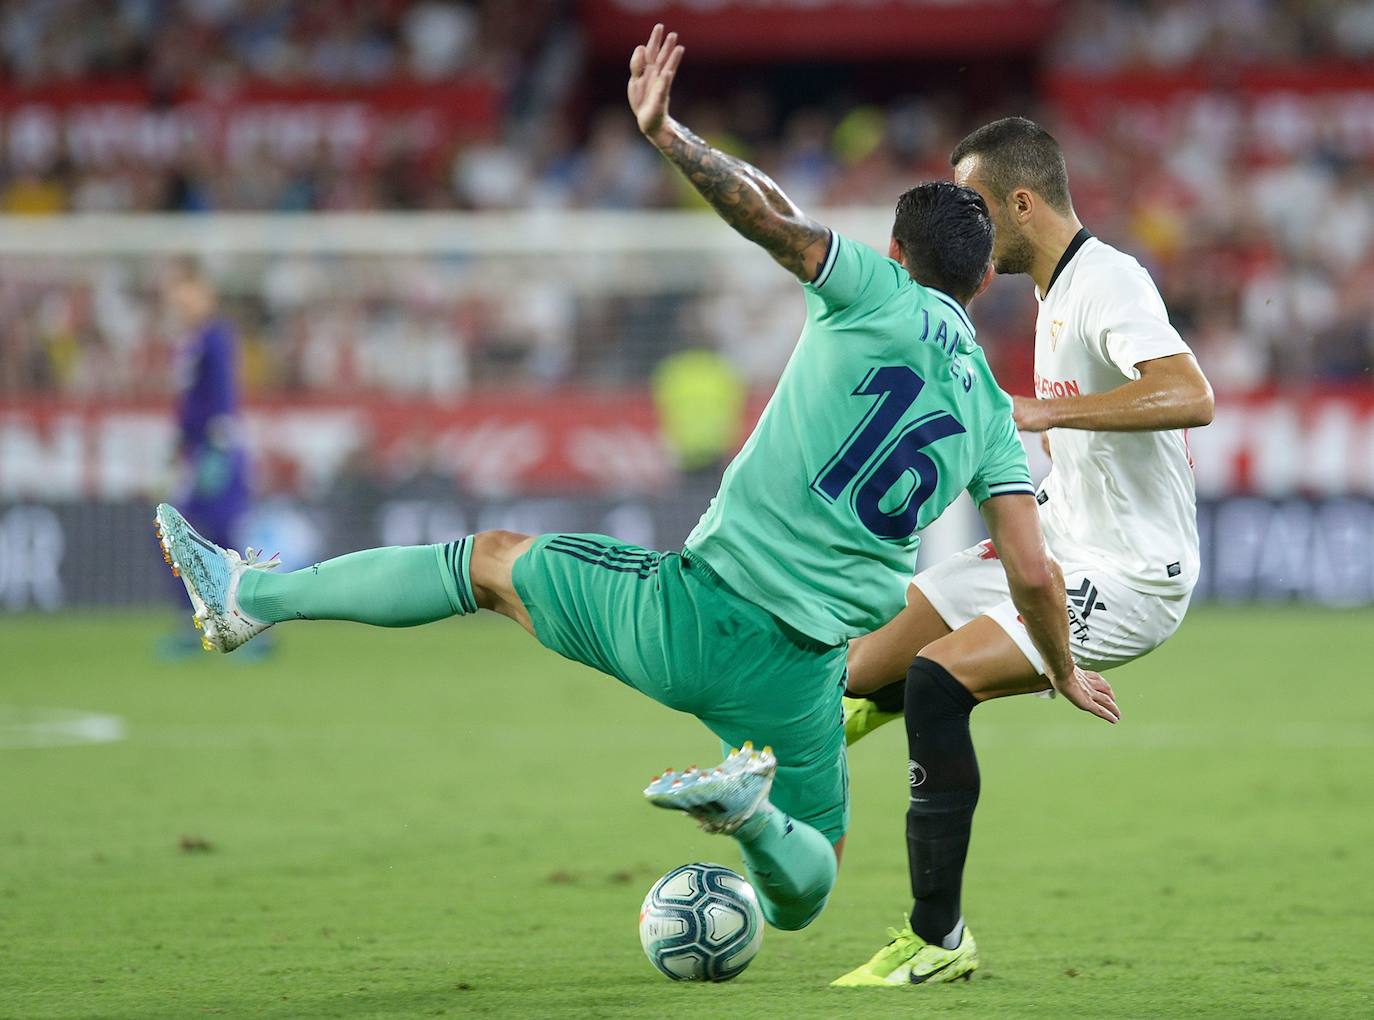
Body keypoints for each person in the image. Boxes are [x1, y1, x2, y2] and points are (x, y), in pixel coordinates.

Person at [153, 29, 1114, 939]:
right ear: (983, 280)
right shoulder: (992, 403)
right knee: (808, 875)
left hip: (695, 610)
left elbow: (769, 217)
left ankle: (246, 596)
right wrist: (1062, 667)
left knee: (486, 565)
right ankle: (752, 823)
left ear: (898, 252)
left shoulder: (870, 286)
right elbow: (1030, 570)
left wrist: (667, 135)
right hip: (807, 669)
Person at [832, 117, 1213, 988]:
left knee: (936, 681)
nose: (965, 225)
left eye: (975, 205)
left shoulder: (1110, 282)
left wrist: (1044, 414)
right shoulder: (1053, 293)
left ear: (1022, 201)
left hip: (1130, 576)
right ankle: (841, 720)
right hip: (1065, 537)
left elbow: (1191, 394)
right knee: (861, 667)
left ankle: (937, 938)